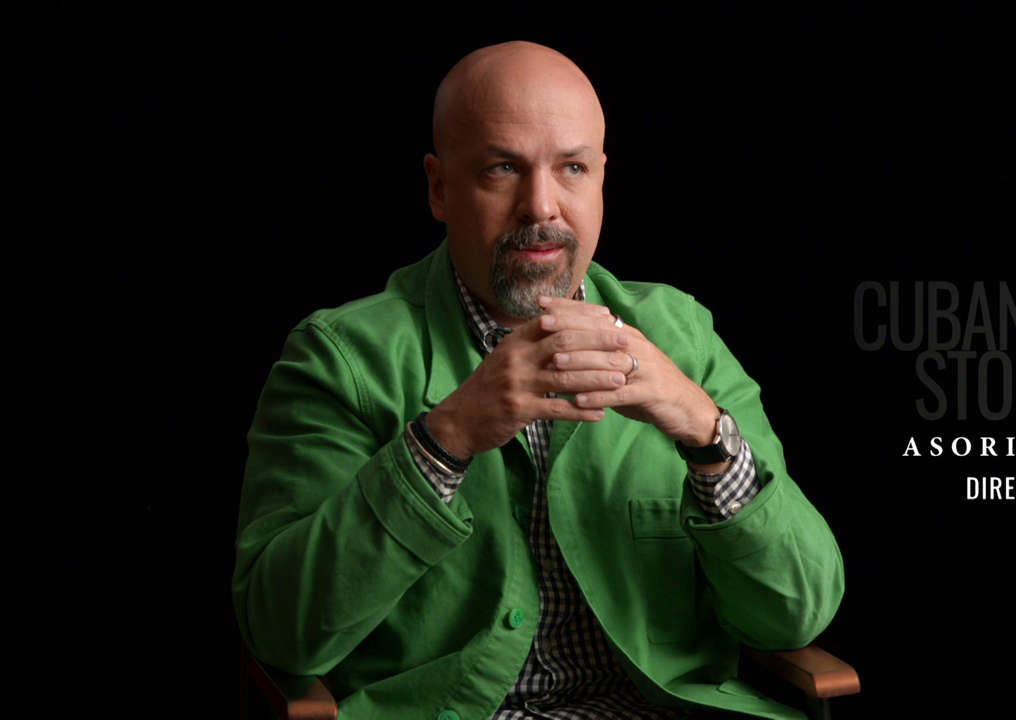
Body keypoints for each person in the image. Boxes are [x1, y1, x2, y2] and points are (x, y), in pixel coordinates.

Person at [232, 41, 844, 720]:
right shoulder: (339, 359)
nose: (542, 207)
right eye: (502, 168)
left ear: (601, 179)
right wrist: (444, 441)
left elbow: (798, 612)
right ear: (439, 188)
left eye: (572, 168)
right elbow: (280, 634)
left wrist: (706, 433)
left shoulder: (684, 337)